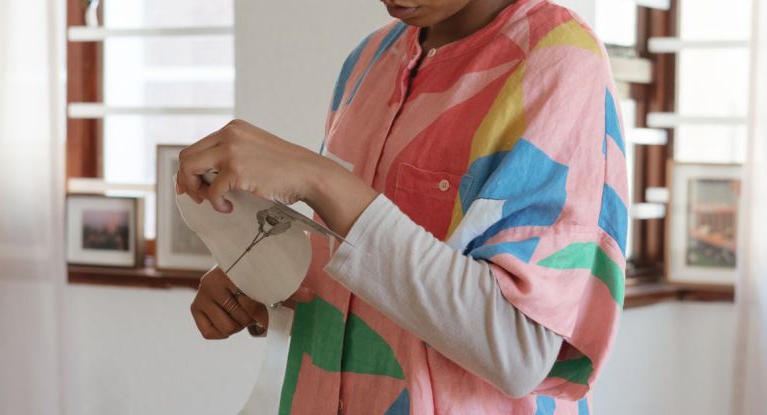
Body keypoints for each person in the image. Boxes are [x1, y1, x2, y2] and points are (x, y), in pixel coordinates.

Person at [177, 0, 629, 413]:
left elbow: (521, 351)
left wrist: (320, 179)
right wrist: (260, 278)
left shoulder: (559, 62)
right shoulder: (369, 59)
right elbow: (354, 259)